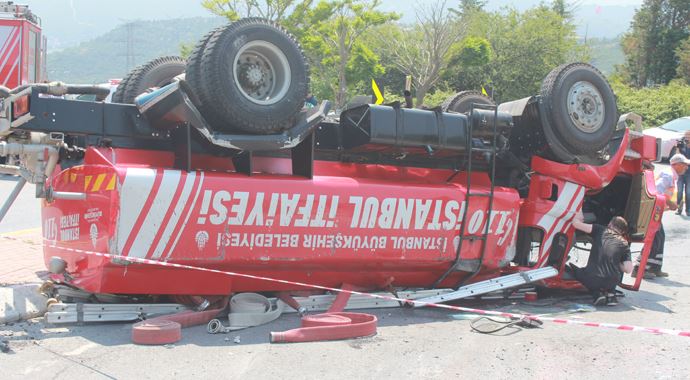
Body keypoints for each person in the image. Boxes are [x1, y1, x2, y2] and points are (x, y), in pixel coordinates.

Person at [633, 153, 690, 278]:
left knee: (660, 237)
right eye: (684, 165)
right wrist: (670, 202)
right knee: (655, 239)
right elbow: (656, 192)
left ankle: (654, 267)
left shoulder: (671, 176)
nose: (686, 168)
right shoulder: (668, 175)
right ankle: (639, 269)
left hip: (655, 211)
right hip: (652, 211)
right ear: (677, 165)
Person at [570, 213, 633, 306]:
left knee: (572, 268)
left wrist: (579, 215)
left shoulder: (600, 229)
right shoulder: (624, 243)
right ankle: (611, 295)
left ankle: (597, 294)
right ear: (623, 231)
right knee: (611, 273)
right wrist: (617, 261)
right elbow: (628, 269)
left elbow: (576, 224)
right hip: (613, 281)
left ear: (610, 224)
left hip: (594, 279)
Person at [675, 132, 690, 216]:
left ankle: (688, 210)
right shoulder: (682, 145)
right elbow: (677, 157)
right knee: (679, 191)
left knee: (688, 192)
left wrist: (685, 161)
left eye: (689, 136)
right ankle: (679, 208)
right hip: (681, 172)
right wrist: (677, 147)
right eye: (686, 136)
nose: (687, 137)